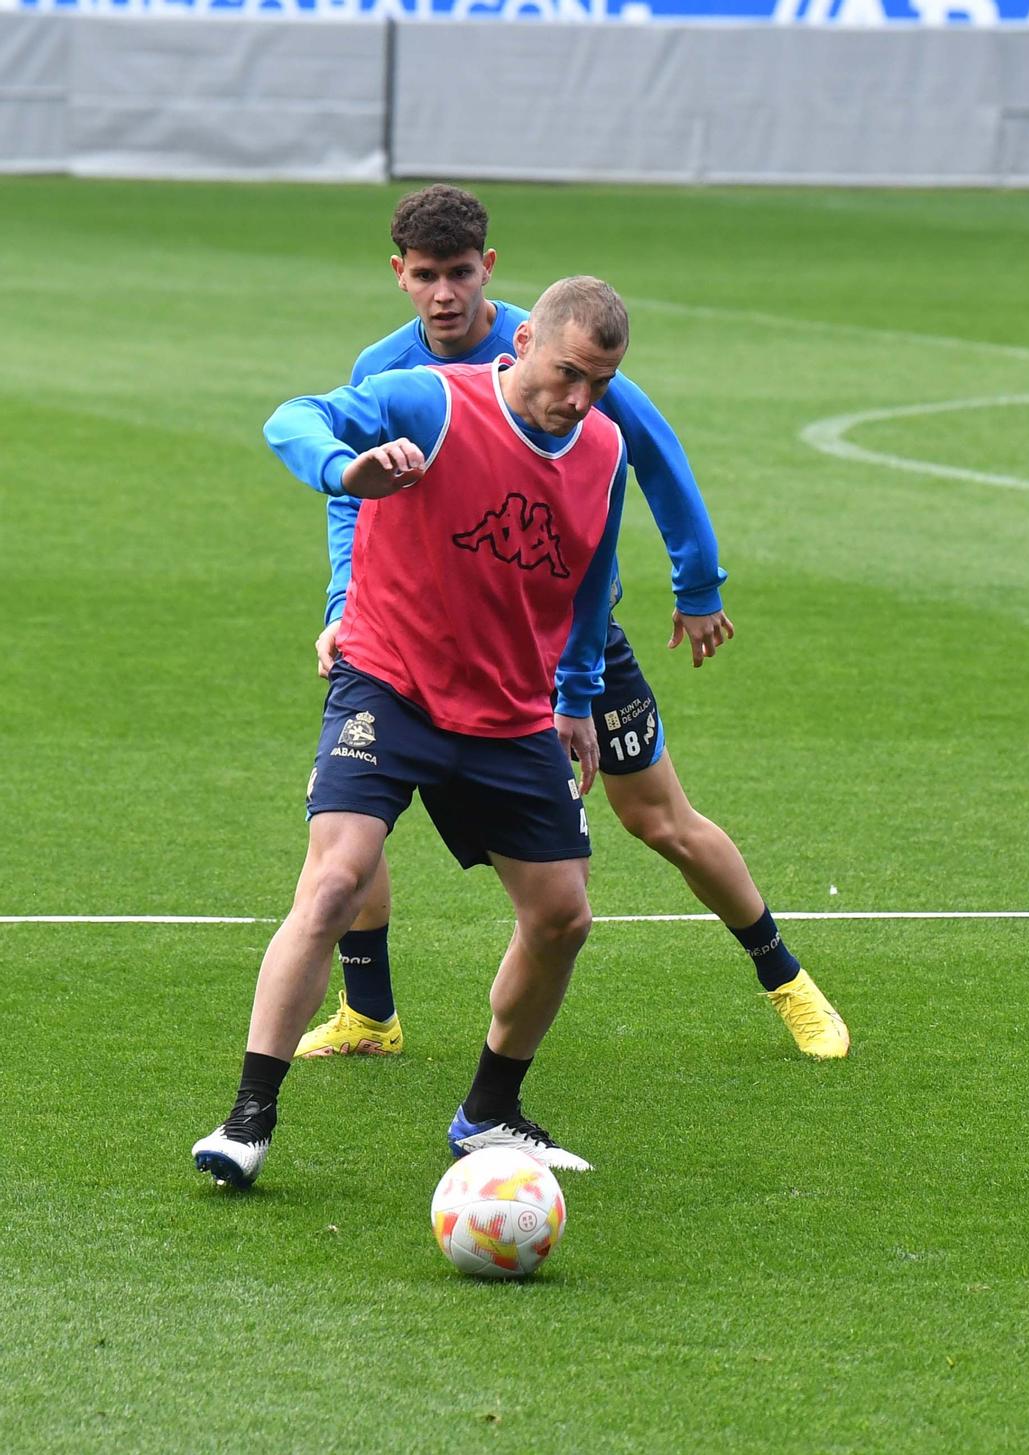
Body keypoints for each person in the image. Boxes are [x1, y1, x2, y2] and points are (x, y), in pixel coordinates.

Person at [298, 184, 847, 1063]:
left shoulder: (561, 350)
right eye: (428, 276)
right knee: (354, 818)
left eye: (462, 274)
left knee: (659, 819)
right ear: (400, 275)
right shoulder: (390, 369)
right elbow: (355, 498)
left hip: (563, 641)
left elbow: (653, 457)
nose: (446, 294)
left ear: (491, 273)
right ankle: (370, 1013)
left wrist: (698, 583)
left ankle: (785, 977)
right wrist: (341, 603)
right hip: (421, 641)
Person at [195, 277, 639, 1187]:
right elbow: (293, 417)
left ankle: (488, 1115)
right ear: (518, 351)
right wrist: (346, 471)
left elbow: (594, 579)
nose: (579, 399)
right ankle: (248, 1119)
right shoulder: (427, 401)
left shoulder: (602, 451)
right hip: (387, 682)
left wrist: (578, 695)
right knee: (334, 882)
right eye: (567, 375)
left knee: (562, 917)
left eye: (600, 382)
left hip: (510, 709)